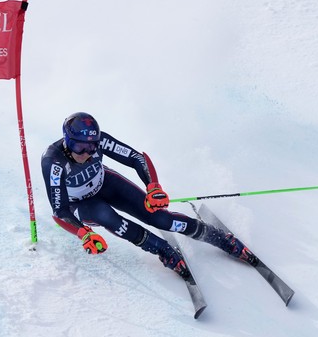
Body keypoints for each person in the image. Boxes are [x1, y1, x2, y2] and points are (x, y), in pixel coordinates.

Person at [40, 112, 258, 279]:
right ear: (67, 142)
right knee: (109, 218)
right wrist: (84, 233)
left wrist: (152, 186)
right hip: (82, 204)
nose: (86, 153)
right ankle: (163, 251)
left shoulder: (99, 143)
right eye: (79, 147)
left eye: (92, 146)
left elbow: (136, 157)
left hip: (106, 184)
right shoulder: (54, 162)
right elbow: (60, 210)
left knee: (162, 218)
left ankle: (216, 236)